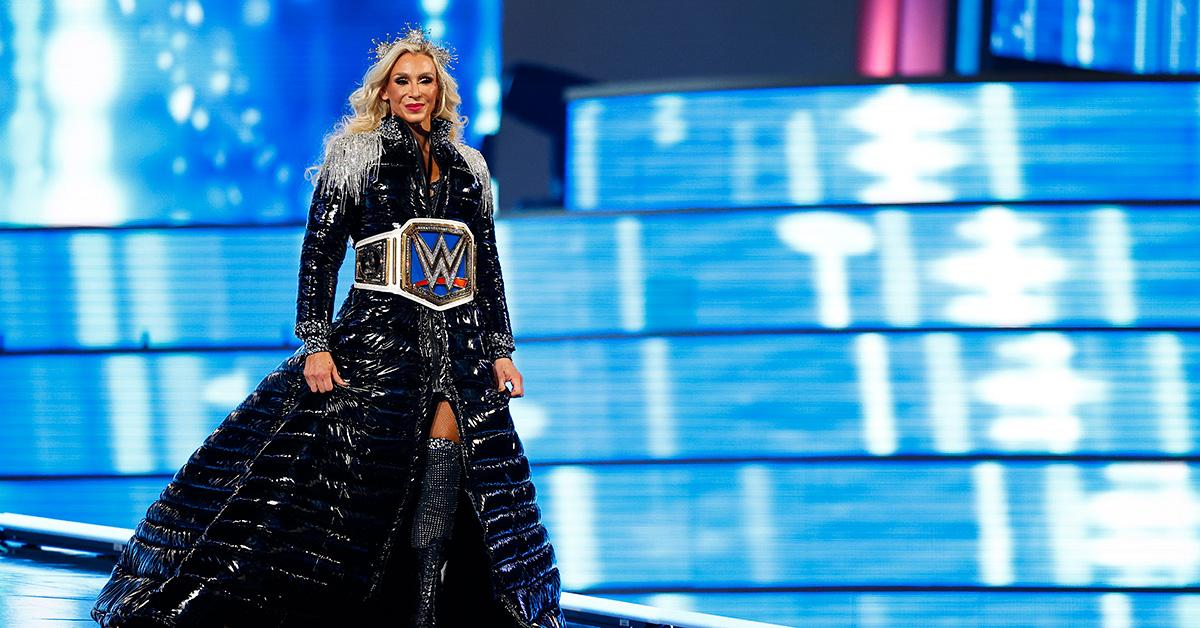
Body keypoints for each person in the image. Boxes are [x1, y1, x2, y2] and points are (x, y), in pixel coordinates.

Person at [90, 26, 566, 628]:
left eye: (425, 80)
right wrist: (316, 342)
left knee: (455, 465)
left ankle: (424, 604)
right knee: (346, 478)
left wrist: (501, 350)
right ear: (385, 92)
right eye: (402, 81)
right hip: (377, 342)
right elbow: (320, 257)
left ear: (441, 90)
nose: (414, 91)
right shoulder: (355, 158)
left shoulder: (469, 169)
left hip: (460, 345)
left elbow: (486, 266)